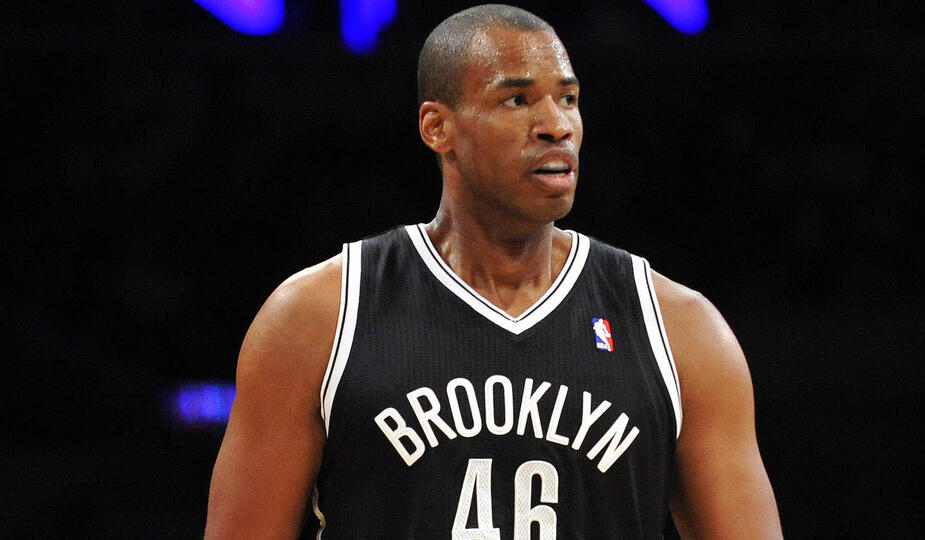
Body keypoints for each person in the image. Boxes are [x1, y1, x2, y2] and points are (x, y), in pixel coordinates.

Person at [205, 4, 783, 539]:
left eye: (569, 98)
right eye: (518, 100)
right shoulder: (318, 317)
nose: (556, 125)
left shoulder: (680, 329)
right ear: (438, 128)